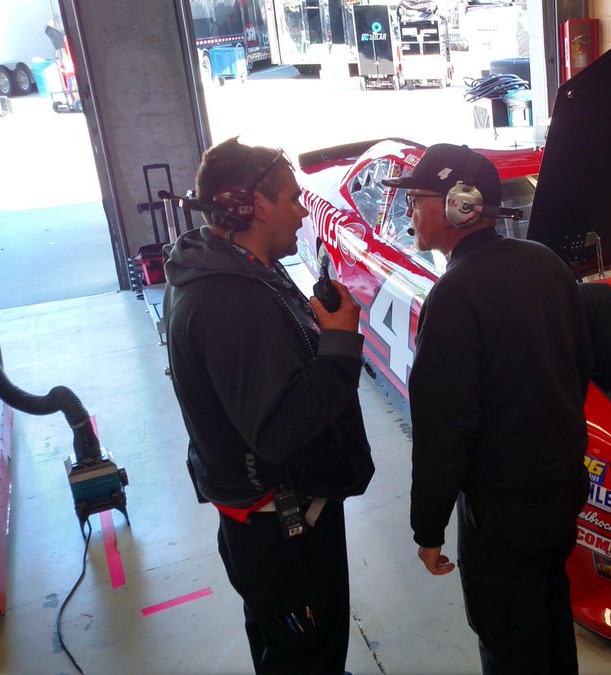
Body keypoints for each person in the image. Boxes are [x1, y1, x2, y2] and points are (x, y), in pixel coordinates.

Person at [164, 137, 375, 674]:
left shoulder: (232, 268)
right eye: (291, 198)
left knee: (295, 646)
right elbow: (278, 433)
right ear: (253, 207)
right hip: (281, 526)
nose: (304, 209)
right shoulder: (230, 302)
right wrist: (341, 343)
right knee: (304, 651)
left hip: (274, 519)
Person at [390, 144, 592, 674]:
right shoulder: (545, 263)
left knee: (508, 640)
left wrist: (427, 529)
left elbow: (443, 432)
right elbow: (579, 369)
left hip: (502, 515)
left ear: (460, 205)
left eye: (417, 199)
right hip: (561, 493)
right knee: (549, 620)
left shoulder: (455, 295)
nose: (409, 210)